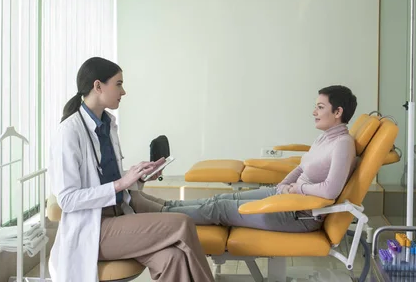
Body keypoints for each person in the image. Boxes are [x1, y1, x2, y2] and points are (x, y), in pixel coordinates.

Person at [48, 57, 214, 282]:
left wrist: (138, 177)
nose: (123, 91)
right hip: (94, 228)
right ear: (98, 86)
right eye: (118, 84)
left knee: (172, 257)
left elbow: (107, 179)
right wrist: (121, 183)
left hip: (120, 216)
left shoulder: (107, 124)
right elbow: (67, 199)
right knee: (182, 223)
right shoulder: (69, 132)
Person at [160, 85, 358, 233]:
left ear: (338, 112)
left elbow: (331, 189)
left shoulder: (342, 144)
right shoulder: (324, 137)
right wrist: (283, 185)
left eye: (320, 107)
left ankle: (159, 215)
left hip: (299, 214)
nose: (314, 112)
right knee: (221, 198)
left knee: (218, 209)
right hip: (287, 197)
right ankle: (164, 206)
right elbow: (302, 167)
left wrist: (297, 188)